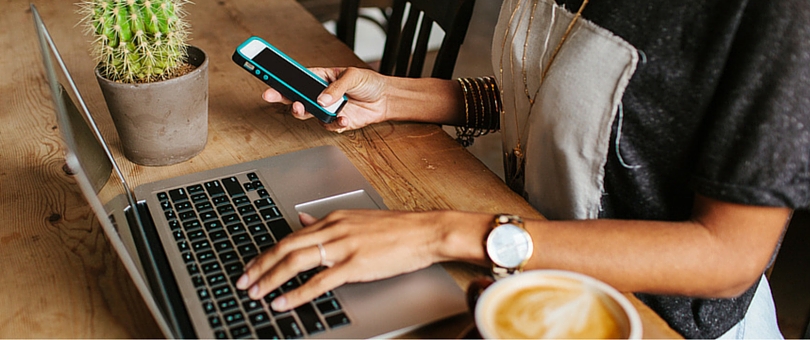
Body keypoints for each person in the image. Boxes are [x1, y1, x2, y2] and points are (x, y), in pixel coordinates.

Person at [235, 0, 810, 338]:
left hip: (653, 317)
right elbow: (546, 96)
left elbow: (728, 255)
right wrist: (394, 99)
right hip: (524, 268)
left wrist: (439, 232)